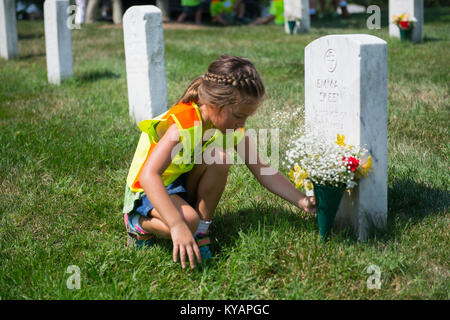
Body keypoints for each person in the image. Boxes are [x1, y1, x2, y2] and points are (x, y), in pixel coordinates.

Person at [122, 55, 316, 269]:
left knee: (220, 159)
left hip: (180, 182)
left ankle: (200, 232)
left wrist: (301, 201)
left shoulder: (229, 128)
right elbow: (149, 176)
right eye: (239, 116)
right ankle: (138, 223)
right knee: (187, 221)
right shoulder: (183, 124)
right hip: (147, 189)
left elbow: (262, 169)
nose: (242, 124)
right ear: (215, 104)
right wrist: (177, 225)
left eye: (246, 118)